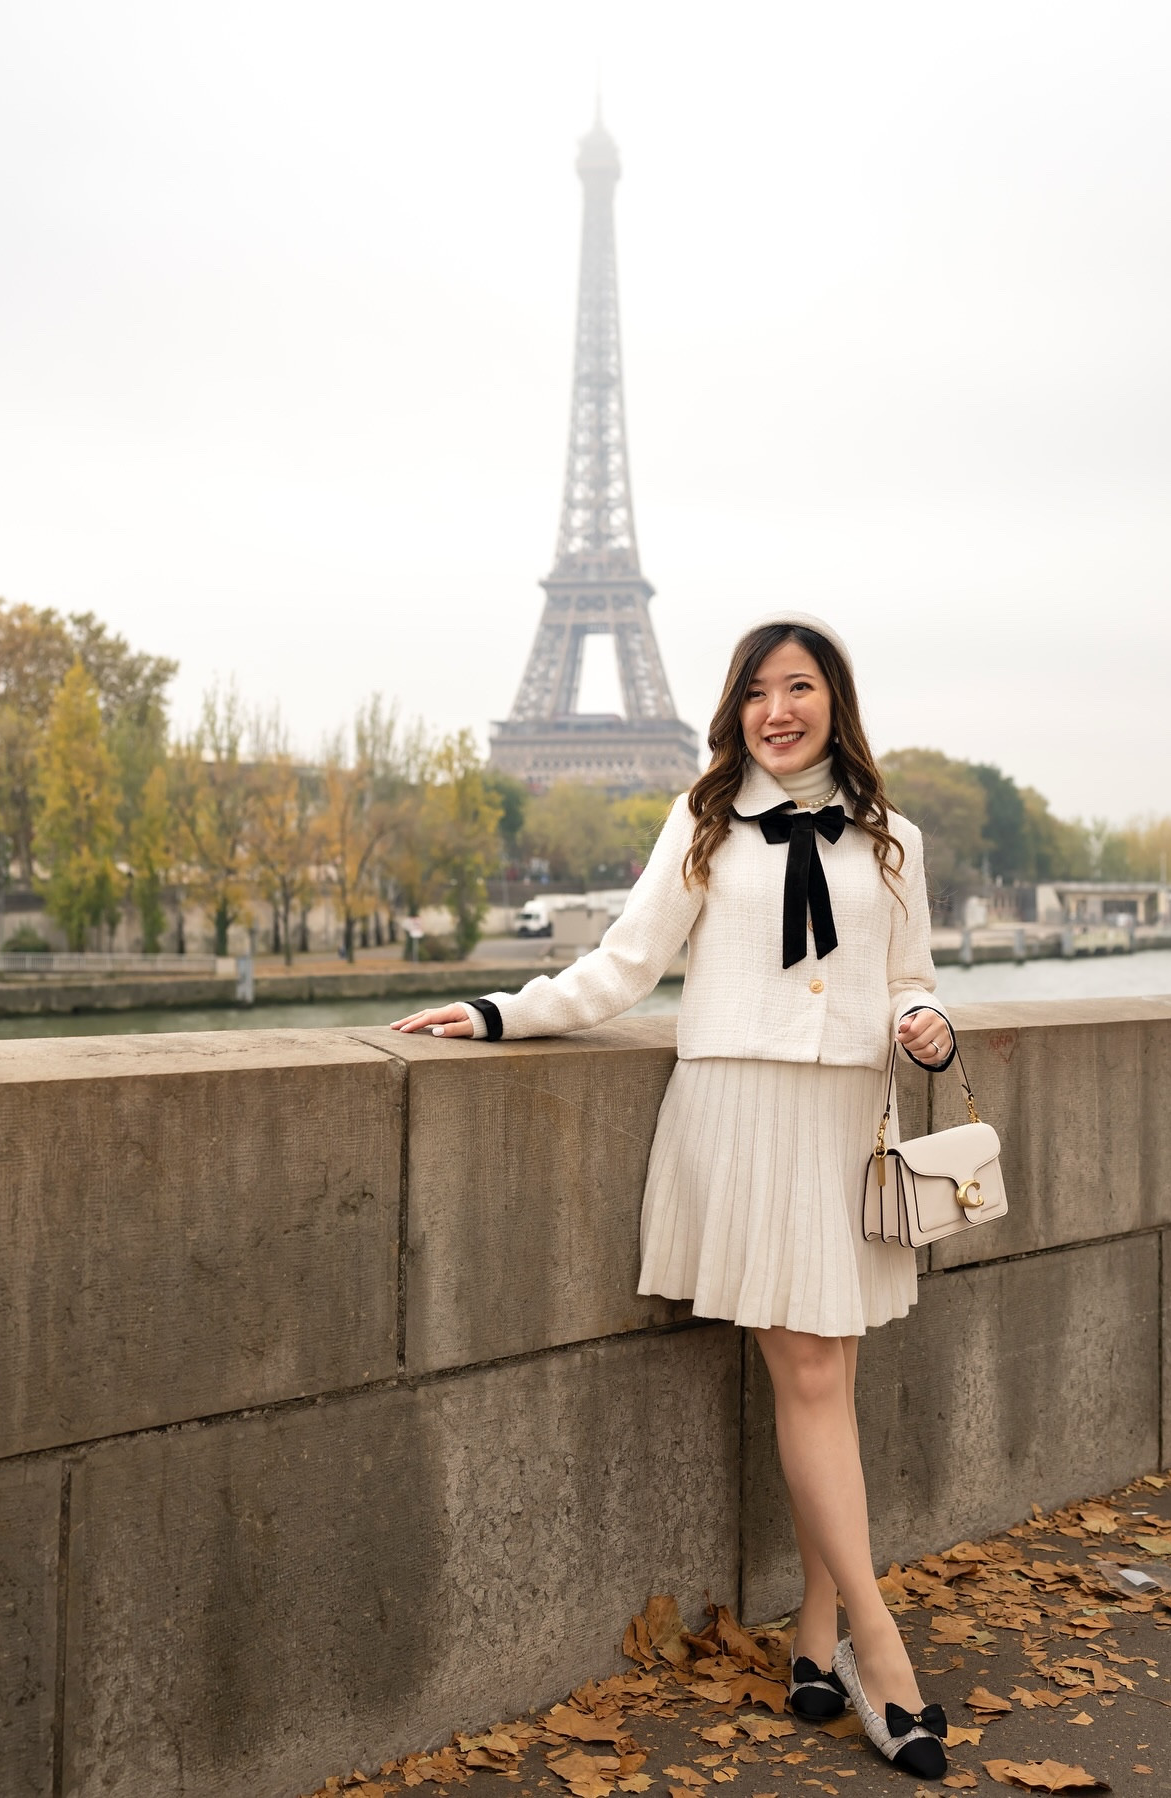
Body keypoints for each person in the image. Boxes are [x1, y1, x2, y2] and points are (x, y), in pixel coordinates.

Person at [393, 613, 957, 1782]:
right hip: (740, 1119)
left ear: (835, 701)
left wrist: (923, 1021)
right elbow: (622, 965)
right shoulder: (707, 823)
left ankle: (814, 1634)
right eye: (757, 691)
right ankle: (879, 1644)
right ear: (734, 708)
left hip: (845, 1119)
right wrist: (499, 1011)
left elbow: (912, 982)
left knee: (829, 1381)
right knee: (808, 1371)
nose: (777, 710)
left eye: (798, 687)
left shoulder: (892, 840)